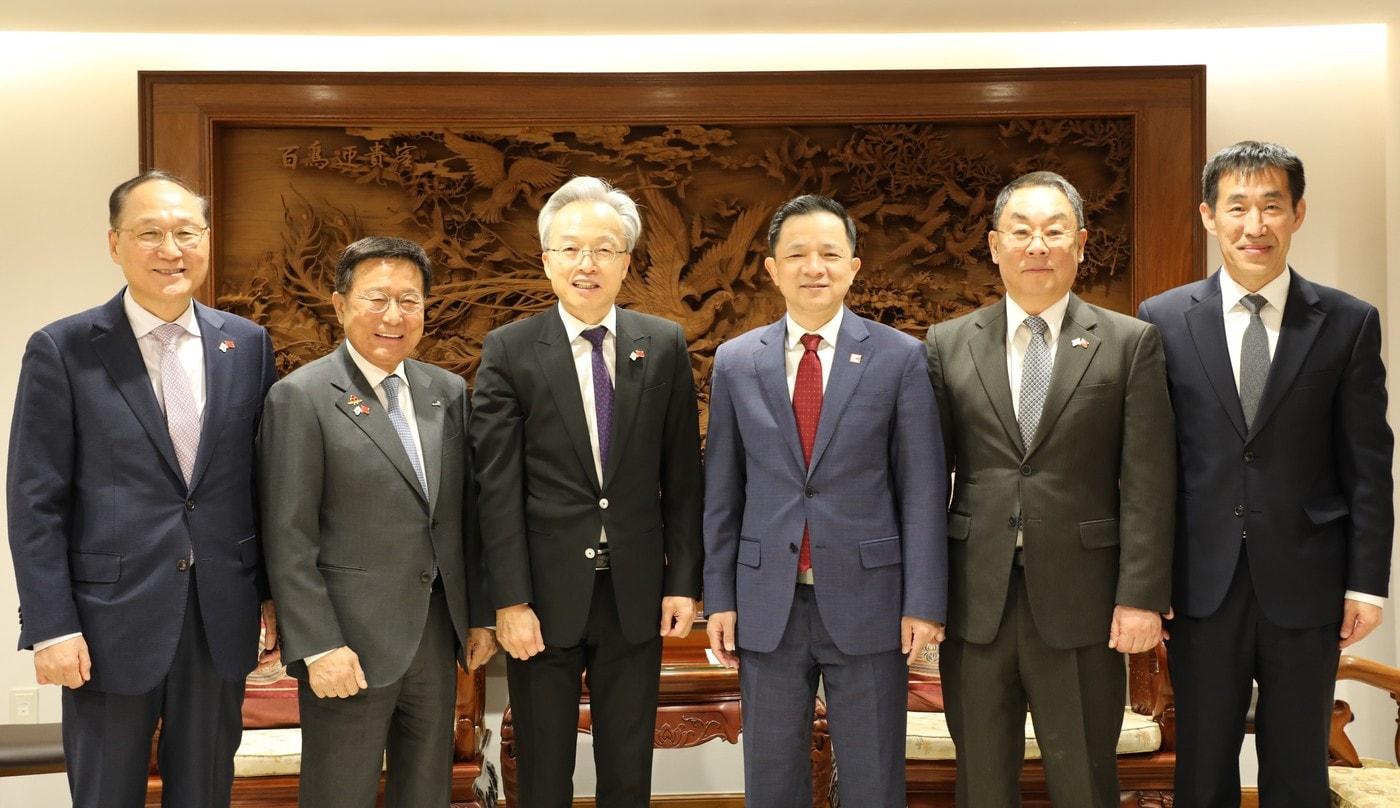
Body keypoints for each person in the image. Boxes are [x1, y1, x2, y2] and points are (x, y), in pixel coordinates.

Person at [6, 170, 278, 807]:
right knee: (106, 795)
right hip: (106, 622)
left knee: (205, 793)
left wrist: (268, 595)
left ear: (206, 239)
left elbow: (261, 483)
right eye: (150, 234)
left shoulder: (247, 344)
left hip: (219, 616)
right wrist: (51, 627)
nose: (171, 250)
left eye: (186, 233)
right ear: (114, 244)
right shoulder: (63, 348)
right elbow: (35, 501)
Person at [1138, 141, 1392, 807]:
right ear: (1208, 216)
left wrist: (1367, 585)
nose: (1255, 225)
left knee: (1298, 770)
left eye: (1272, 206)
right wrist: (1146, 580)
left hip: (1309, 581)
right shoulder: (1161, 321)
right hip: (1199, 584)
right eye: (1237, 207)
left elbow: (1368, 464)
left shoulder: (1347, 322)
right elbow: (1149, 465)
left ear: (1297, 213)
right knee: (1201, 769)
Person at [926, 171, 1175, 807]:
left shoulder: (1129, 343)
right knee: (981, 785)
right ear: (994, 245)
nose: (1037, 246)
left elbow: (1148, 482)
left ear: (1081, 243)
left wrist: (1141, 597)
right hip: (975, 599)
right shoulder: (948, 344)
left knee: (1085, 783)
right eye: (1021, 231)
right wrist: (923, 597)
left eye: (1054, 231)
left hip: (1084, 601)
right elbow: (926, 481)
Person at [703, 194, 946, 808]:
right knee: (772, 781)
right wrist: (719, 597)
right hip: (768, 603)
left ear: (854, 266)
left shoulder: (900, 357)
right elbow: (723, 492)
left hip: (871, 601)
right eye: (797, 255)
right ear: (772, 269)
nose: (814, 268)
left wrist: (922, 603)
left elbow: (922, 491)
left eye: (830, 254)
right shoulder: (736, 362)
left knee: (873, 782)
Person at [471, 176, 703, 807]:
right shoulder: (510, 350)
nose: (587, 264)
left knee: (628, 770)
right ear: (547, 260)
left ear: (626, 262)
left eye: (604, 249)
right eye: (571, 249)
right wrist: (509, 600)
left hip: (635, 592)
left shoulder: (663, 344)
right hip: (542, 600)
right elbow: (496, 488)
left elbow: (684, 477)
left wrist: (683, 581)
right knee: (543, 772)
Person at [258, 236, 495, 808]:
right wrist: (318, 646)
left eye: (409, 301)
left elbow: (463, 518)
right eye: (377, 298)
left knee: (427, 795)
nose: (394, 316)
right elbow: (287, 536)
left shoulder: (446, 391)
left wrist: (478, 617)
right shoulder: (301, 397)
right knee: (339, 796)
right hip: (347, 646)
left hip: (434, 639)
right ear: (340, 305)